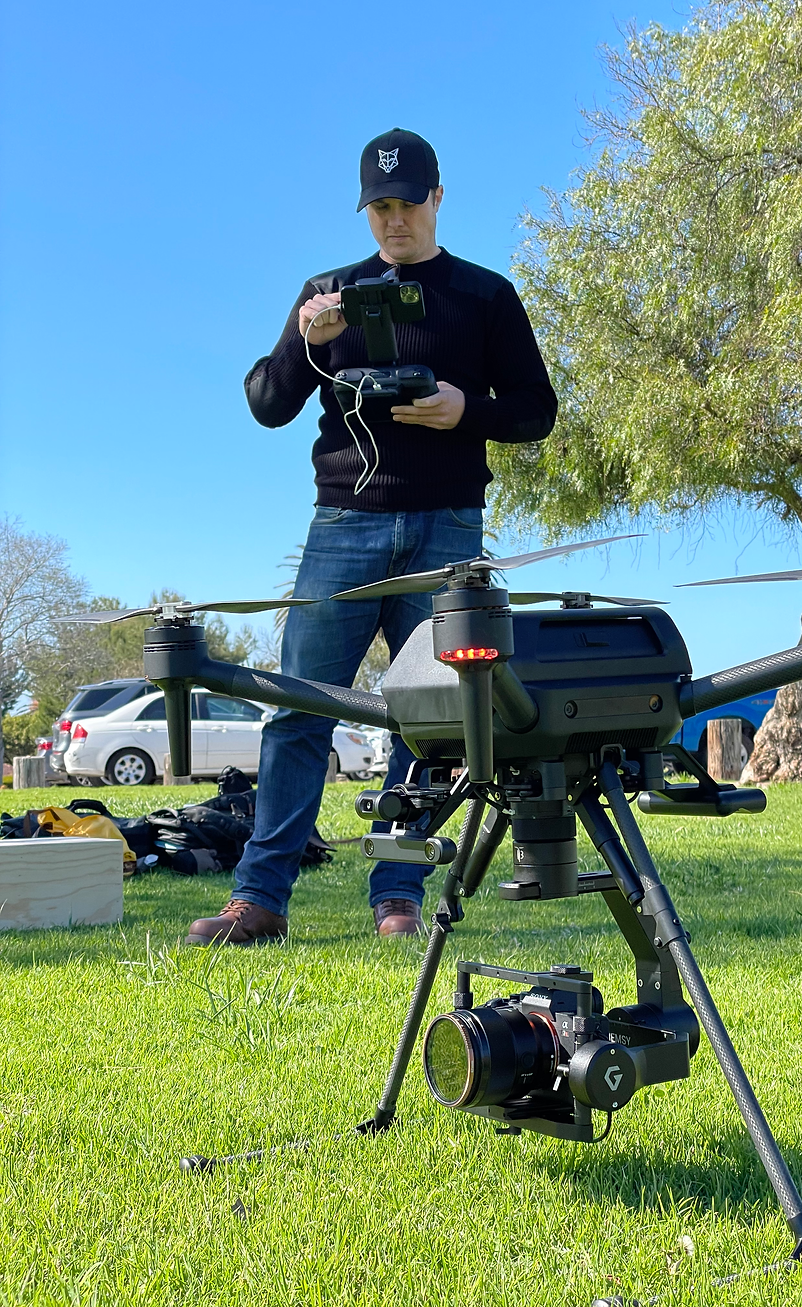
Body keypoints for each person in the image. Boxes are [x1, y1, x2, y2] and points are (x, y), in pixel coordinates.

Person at [185, 128, 557, 946]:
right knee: (295, 711)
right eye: (378, 207)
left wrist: (470, 410)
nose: (393, 221)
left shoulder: (485, 295)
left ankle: (398, 895)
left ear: (438, 198)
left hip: (449, 529)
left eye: (407, 203)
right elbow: (267, 402)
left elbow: (538, 408)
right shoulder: (328, 292)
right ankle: (260, 900)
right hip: (342, 526)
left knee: (427, 719)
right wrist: (304, 342)